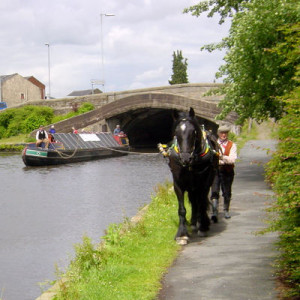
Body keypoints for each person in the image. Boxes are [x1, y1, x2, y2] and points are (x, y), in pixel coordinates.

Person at [211, 125, 237, 220]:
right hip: (215, 171)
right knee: (214, 191)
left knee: (227, 191)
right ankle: (214, 212)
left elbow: (232, 160)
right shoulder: (213, 144)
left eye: (225, 133)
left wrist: (222, 158)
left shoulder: (232, 145)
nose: (224, 135)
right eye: (222, 133)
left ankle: (226, 210)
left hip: (227, 171)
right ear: (218, 134)